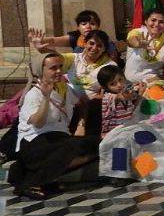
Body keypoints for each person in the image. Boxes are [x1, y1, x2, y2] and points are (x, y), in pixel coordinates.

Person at [8, 53, 98, 200]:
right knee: (70, 148)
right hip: (35, 142)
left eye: (60, 67)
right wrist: (46, 97)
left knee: (95, 144)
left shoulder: (65, 89)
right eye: (53, 68)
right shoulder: (33, 95)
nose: (58, 71)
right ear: (41, 70)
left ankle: (43, 176)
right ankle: (33, 181)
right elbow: (38, 122)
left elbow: (82, 103)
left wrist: (81, 124)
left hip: (59, 138)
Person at [32, 10, 117, 59]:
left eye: (92, 23)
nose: (88, 27)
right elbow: (54, 40)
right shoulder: (76, 38)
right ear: (78, 27)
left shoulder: (106, 40)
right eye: (84, 24)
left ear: (98, 26)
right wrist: (41, 41)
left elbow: (113, 62)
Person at [125, 9, 164, 83]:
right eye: (153, 20)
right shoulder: (138, 32)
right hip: (130, 83)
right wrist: (139, 44)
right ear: (146, 21)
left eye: (161, 22)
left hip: (153, 82)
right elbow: (131, 41)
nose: (157, 24)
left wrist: (160, 78)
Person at [97, 65, 146, 139]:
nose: (119, 85)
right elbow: (124, 97)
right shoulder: (108, 97)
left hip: (127, 132)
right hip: (111, 137)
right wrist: (131, 89)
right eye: (113, 84)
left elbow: (133, 111)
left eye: (120, 79)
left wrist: (140, 94)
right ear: (106, 87)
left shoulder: (126, 94)